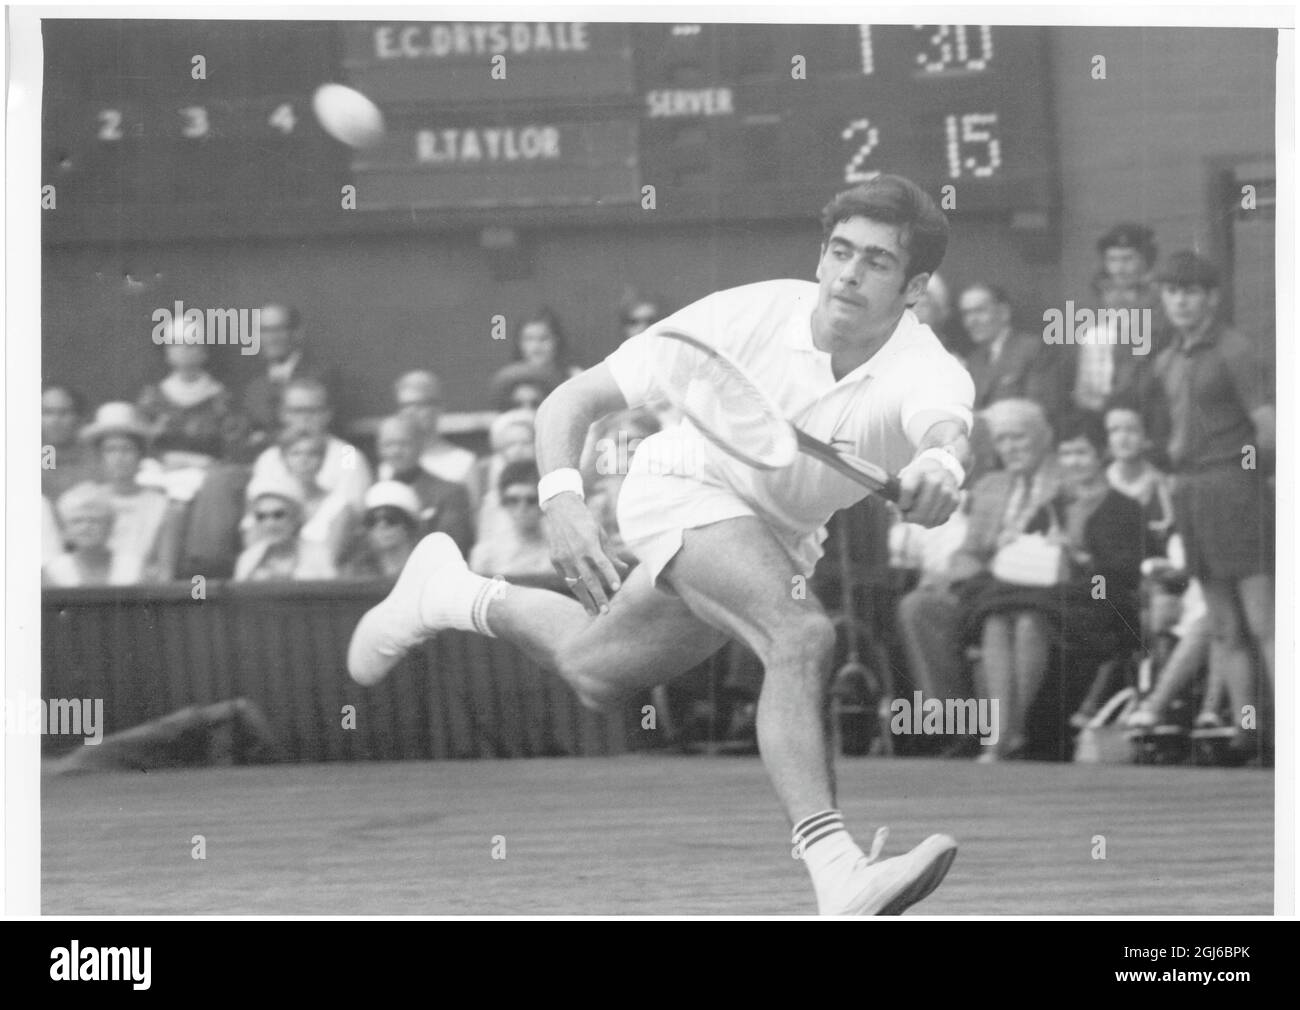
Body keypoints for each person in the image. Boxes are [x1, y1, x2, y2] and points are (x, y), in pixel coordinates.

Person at [350, 175, 973, 915]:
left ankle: (449, 593)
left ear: (915, 286)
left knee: (597, 670)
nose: (849, 273)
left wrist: (939, 465)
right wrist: (562, 500)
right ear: (819, 257)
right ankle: (837, 870)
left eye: (876, 261)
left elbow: (944, 431)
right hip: (680, 486)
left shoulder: (924, 365)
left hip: (779, 535)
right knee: (799, 634)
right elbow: (571, 400)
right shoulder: (739, 316)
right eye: (840, 251)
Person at [956, 412, 1144, 760]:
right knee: (997, 618)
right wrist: (1015, 541)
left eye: (1082, 453)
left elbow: (1122, 574)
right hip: (1044, 593)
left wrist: (1077, 555)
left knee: (1029, 620)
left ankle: (1009, 731)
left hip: (1096, 598)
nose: (1074, 462)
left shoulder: (1124, 508)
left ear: (1100, 455)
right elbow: (1027, 553)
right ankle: (1002, 732)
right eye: (1068, 454)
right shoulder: (1052, 505)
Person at [1150, 251, 1274, 756]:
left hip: (1234, 487)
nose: (1181, 300)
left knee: (1265, 621)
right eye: (1173, 291)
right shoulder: (1165, 359)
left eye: (1192, 291)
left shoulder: (1235, 349)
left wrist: (1253, 478)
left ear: (1212, 297)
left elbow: (1268, 425)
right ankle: (1248, 732)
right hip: (1191, 491)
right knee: (1223, 625)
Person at [896, 399, 1062, 741]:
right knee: (919, 606)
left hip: (1041, 589)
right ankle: (955, 725)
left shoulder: (1064, 482)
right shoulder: (991, 486)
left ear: (1043, 438)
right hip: (986, 587)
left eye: (1020, 437)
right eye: (1003, 440)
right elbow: (968, 553)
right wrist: (954, 576)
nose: (1011, 447)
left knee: (1000, 613)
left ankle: (1003, 732)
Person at [79, 402, 181, 584]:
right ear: (100, 456)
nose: (119, 458)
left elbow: (166, 570)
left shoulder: (162, 505)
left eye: (127, 449)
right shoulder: (86, 498)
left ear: (141, 455)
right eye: (110, 450)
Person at [250, 377, 372, 510]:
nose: (304, 419)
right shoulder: (269, 458)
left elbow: (352, 508)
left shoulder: (347, 455)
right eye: (296, 411)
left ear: (327, 414)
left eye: (312, 411)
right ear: (283, 414)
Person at [240, 303, 340, 456]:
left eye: (278, 330)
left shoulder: (322, 377)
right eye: (263, 331)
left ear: (297, 333)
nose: (270, 338)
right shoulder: (253, 387)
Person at [374, 414, 474, 554]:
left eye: (403, 443)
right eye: (388, 444)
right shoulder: (374, 495)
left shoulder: (450, 494)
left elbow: (449, 549)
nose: (396, 451)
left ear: (421, 445)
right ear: (379, 448)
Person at [232, 475, 335, 581]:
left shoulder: (320, 555)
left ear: (295, 517)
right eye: (261, 517)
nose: (270, 524)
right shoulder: (247, 560)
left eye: (278, 515)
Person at [467, 462, 556, 579]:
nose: (522, 508)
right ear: (503, 502)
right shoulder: (485, 555)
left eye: (531, 500)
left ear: (544, 504)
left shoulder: (559, 553)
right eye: (513, 500)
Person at [391, 370, 475, 485]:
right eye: (405, 406)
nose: (410, 412)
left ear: (439, 407)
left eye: (419, 405)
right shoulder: (390, 464)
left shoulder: (463, 462)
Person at [44, 483, 129, 587]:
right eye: (77, 521)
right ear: (65, 529)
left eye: (94, 520)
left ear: (110, 526)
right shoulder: (53, 573)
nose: (86, 527)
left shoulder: (132, 569)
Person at [340, 481, 424, 580]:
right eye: (372, 520)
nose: (381, 526)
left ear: (409, 524)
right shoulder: (355, 573)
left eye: (390, 518)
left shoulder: (428, 570)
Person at [41, 384, 98, 502]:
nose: (55, 420)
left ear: (79, 417)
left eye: (63, 412)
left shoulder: (95, 459)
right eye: (47, 412)